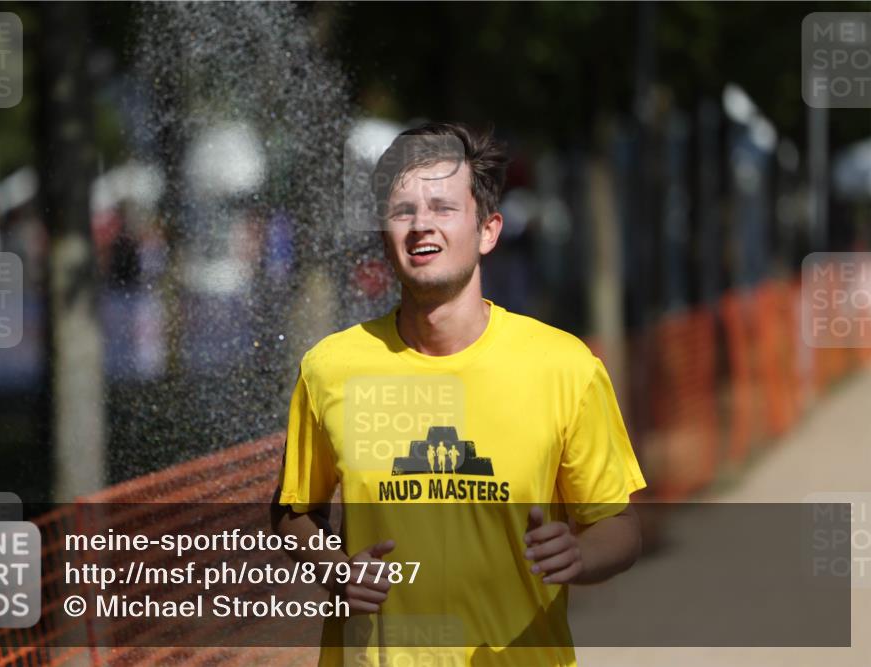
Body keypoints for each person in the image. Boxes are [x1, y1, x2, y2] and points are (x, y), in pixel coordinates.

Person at [271, 122, 646, 666]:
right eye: (403, 211)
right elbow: (290, 512)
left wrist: (579, 553)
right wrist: (333, 569)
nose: (422, 225)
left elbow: (620, 525)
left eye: (443, 207)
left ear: (488, 230)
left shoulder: (565, 367)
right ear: (384, 234)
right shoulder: (329, 369)